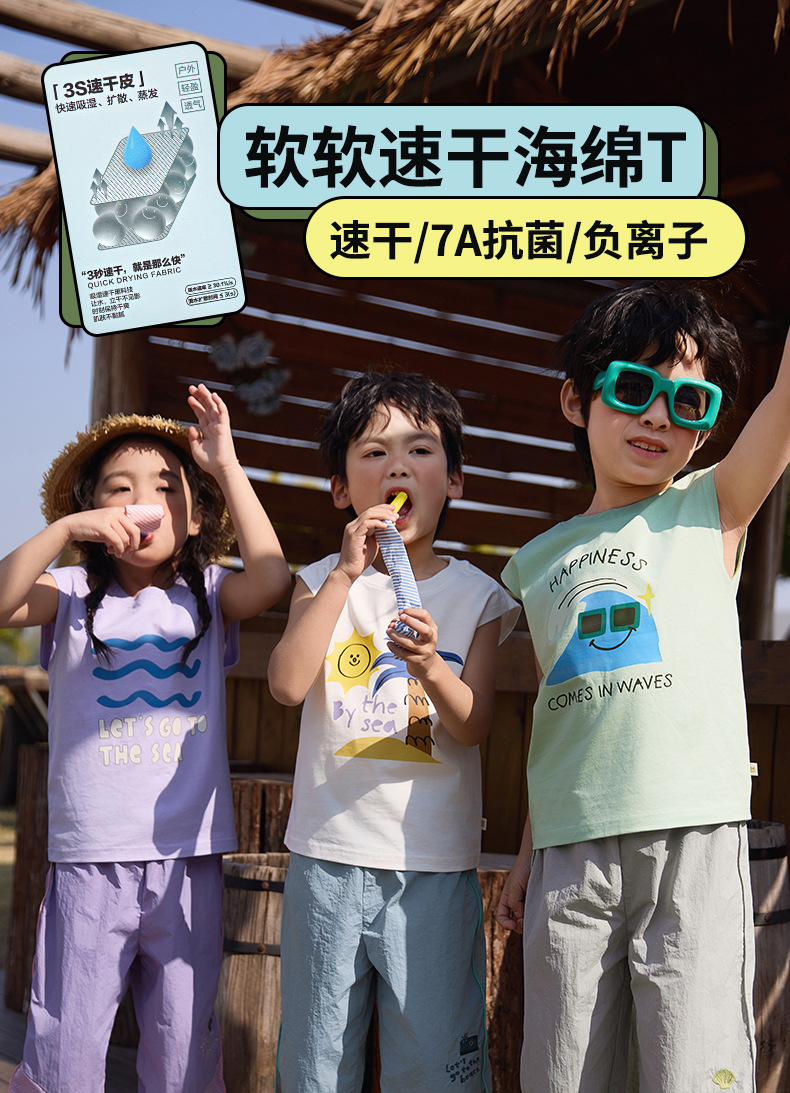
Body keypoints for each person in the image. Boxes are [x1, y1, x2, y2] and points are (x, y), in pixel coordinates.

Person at [497, 281, 790, 1093]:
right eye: (633, 387)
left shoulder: (714, 505)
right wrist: (526, 854)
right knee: (562, 1070)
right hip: (570, 849)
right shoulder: (537, 560)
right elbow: (561, 718)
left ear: (706, 427)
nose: (658, 415)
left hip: (691, 833)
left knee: (692, 1067)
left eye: (688, 401)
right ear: (576, 400)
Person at [2, 384, 291, 1093]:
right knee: (67, 1042)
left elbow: (273, 577)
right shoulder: (70, 593)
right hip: (89, 858)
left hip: (188, 857)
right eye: (120, 488)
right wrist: (67, 529)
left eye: (166, 487)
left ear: (196, 516)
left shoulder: (211, 593)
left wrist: (225, 465)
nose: (144, 501)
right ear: (93, 509)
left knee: (185, 1042)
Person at [267, 370, 519, 1093]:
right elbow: (286, 684)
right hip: (327, 856)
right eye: (374, 453)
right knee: (315, 1061)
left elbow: (472, 726)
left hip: (431, 864)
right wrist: (346, 577)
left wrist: (431, 667)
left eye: (420, 451)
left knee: (433, 1062)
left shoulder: (477, 596)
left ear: (455, 480)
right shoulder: (322, 579)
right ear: (341, 489)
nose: (398, 468)